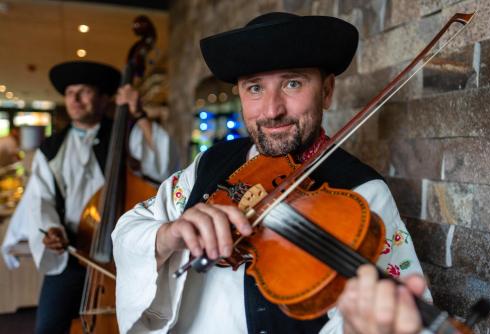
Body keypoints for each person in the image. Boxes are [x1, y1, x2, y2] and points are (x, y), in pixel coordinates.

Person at [112, 12, 430, 334]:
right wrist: (166, 236)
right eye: (255, 88)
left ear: (328, 91)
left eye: (292, 83)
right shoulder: (210, 163)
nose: (272, 109)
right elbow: (128, 229)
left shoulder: (362, 194)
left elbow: (382, 315)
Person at [1, 61, 178, 334]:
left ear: (105, 97)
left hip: (120, 256)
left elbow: (163, 164)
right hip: (72, 252)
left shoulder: (124, 134)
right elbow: (41, 199)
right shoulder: (52, 147)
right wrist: (51, 229)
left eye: (84, 91)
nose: (74, 98)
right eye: (70, 92)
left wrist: (139, 114)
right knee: (49, 327)